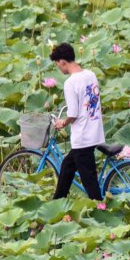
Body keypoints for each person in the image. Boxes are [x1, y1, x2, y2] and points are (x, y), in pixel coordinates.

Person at [49, 42, 105, 200]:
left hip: (82, 136)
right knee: (67, 166)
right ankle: (57, 202)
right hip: (94, 132)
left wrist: (63, 122)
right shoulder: (90, 74)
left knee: (89, 180)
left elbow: (73, 113)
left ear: (62, 62)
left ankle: (100, 210)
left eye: (57, 65)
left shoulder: (70, 83)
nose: (59, 69)